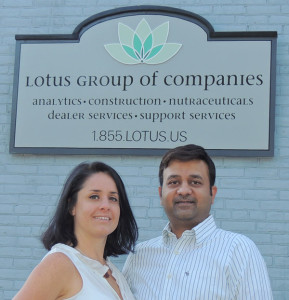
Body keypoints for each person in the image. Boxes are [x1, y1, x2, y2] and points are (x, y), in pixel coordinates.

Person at [123, 144, 273, 300]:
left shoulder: (239, 251)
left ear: (212, 194)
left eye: (195, 182)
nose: (184, 191)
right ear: (161, 194)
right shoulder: (138, 256)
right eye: (174, 182)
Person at [13, 161, 138, 300]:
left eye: (113, 198)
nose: (105, 205)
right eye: (94, 196)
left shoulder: (115, 274)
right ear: (72, 206)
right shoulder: (60, 263)